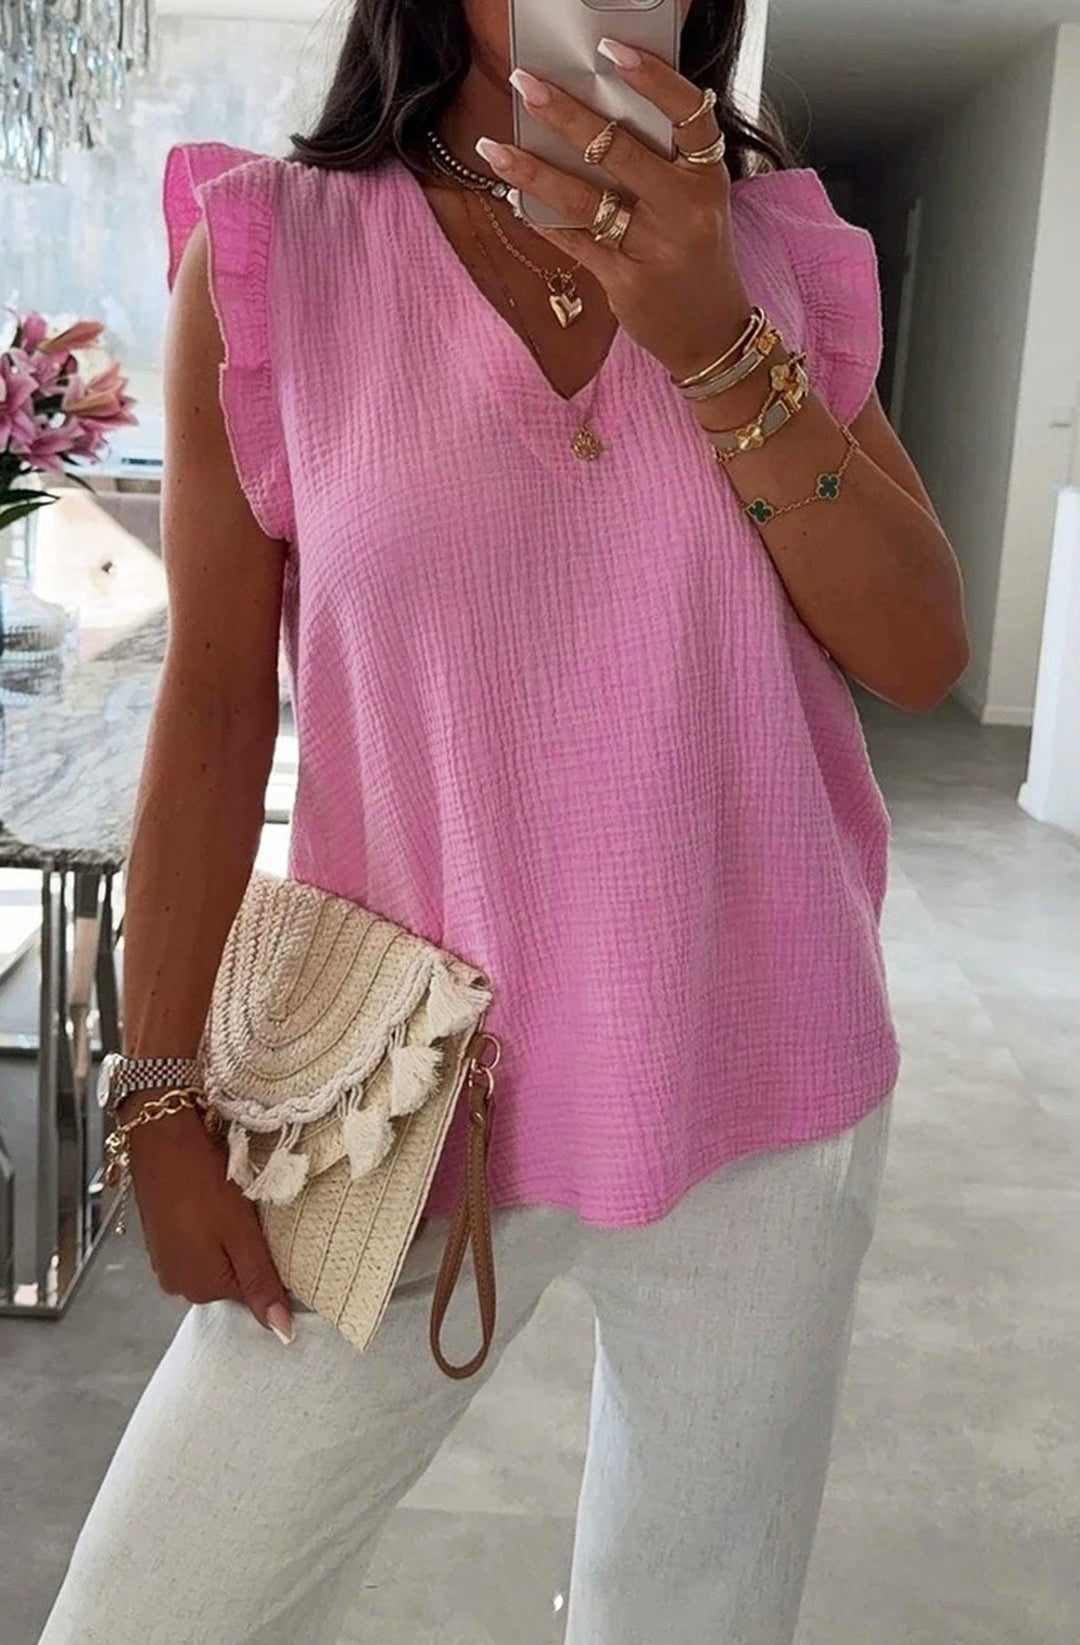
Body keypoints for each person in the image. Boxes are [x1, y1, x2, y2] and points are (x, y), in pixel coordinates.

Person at [40, 0, 969, 1640]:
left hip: (763, 1071)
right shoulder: (277, 260)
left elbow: (919, 647)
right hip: (400, 1090)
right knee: (148, 1609)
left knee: (690, 1615)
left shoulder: (772, 258)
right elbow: (215, 705)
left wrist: (712, 334)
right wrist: (159, 1096)